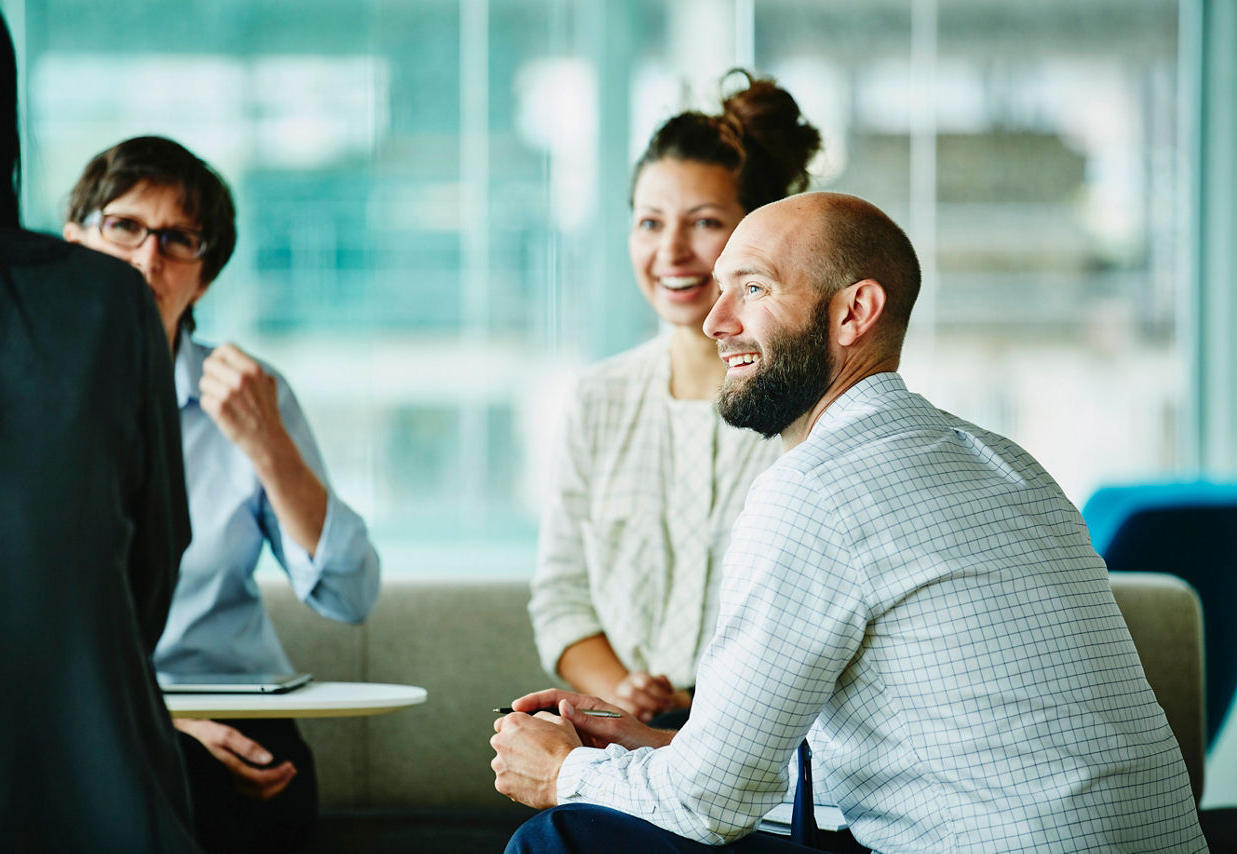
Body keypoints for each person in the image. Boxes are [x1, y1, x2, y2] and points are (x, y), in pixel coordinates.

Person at [492, 192, 1207, 852]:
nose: (715, 322)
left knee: (562, 839)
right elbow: (927, 765)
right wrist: (650, 745)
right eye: (719, 291)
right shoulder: (1006, 463)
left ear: (853, 312)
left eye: (753, 288)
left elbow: (712, 806)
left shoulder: (814, 492)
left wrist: (564, 773)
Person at [62, 136, 382, 853]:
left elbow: (350, 595)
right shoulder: (28, 400)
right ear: (74, 242)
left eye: (178, 239)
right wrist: (161, 728)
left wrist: (268, 446)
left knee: (242, 784)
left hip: (238, 707)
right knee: (170, 781)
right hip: (90, 716)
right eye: (125, 228)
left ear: (205, 275)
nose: (149, 259)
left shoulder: (247, 394)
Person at [0, 3, 198, 850]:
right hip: (94, 793)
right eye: (128, 227)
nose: (151, 252)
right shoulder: (104, 307)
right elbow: (149, 572)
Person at [529, 71, 822, 726]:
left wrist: (700, 708)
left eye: (706, 223)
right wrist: (626, 694)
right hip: (623, 731)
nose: (671, 252)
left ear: (757, 236)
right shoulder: (596, 399)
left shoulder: (804, 407)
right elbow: (561, 601)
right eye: (650, 223)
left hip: (761, 734)